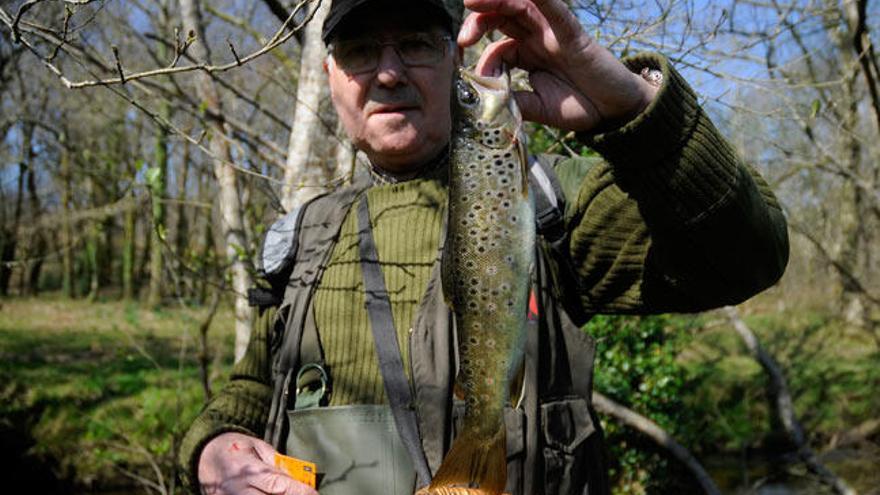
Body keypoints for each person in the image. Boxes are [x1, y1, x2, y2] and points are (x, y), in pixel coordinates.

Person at [178, 0, 790, 494]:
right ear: (331, 75)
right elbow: (254, 385)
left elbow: (747, 255)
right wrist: (212, 448)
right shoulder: (298, 236)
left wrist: (632, 109)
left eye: (417, 43)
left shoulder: (550, 201)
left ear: (456, 58)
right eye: (361, 50)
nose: (388, 72)